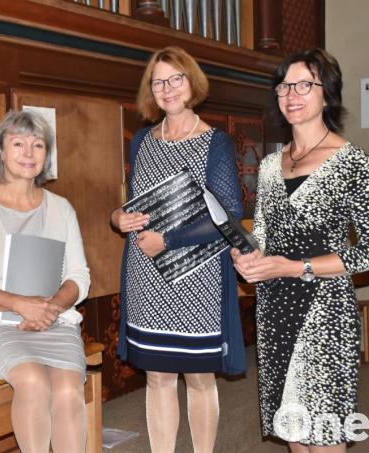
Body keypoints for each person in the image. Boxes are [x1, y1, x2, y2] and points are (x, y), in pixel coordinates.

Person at [230, 48, 369, 451]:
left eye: (304, 85)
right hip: (274, 309)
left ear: (327, 94)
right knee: (294, 433)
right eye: (284, 86)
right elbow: (261, 235)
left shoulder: (350, 161)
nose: (292, 95)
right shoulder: (269, 165)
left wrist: (293, 267)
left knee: (325, 434)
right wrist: (246, 257)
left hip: (325, 311)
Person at [109, 46, 246, 453]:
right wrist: (118, 217)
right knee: (157, 377)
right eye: (158, 82)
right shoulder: (141, 142)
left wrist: (169, 241)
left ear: (192, 83)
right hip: (146, 277)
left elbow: (230, 213)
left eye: (176, 79)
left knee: (199, 378)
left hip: (196, 278)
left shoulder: (215, 142)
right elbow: (136, 204)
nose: (167, 89)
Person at [0, 110, 91, 453]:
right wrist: (21, 305)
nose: (29, 152)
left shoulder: (61, 208)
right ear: (0, 151)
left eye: (38, 145)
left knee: (68, 390)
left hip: (55, 322)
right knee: (34, 382)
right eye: (18, 143)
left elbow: (78, 276)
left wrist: (51, 308)